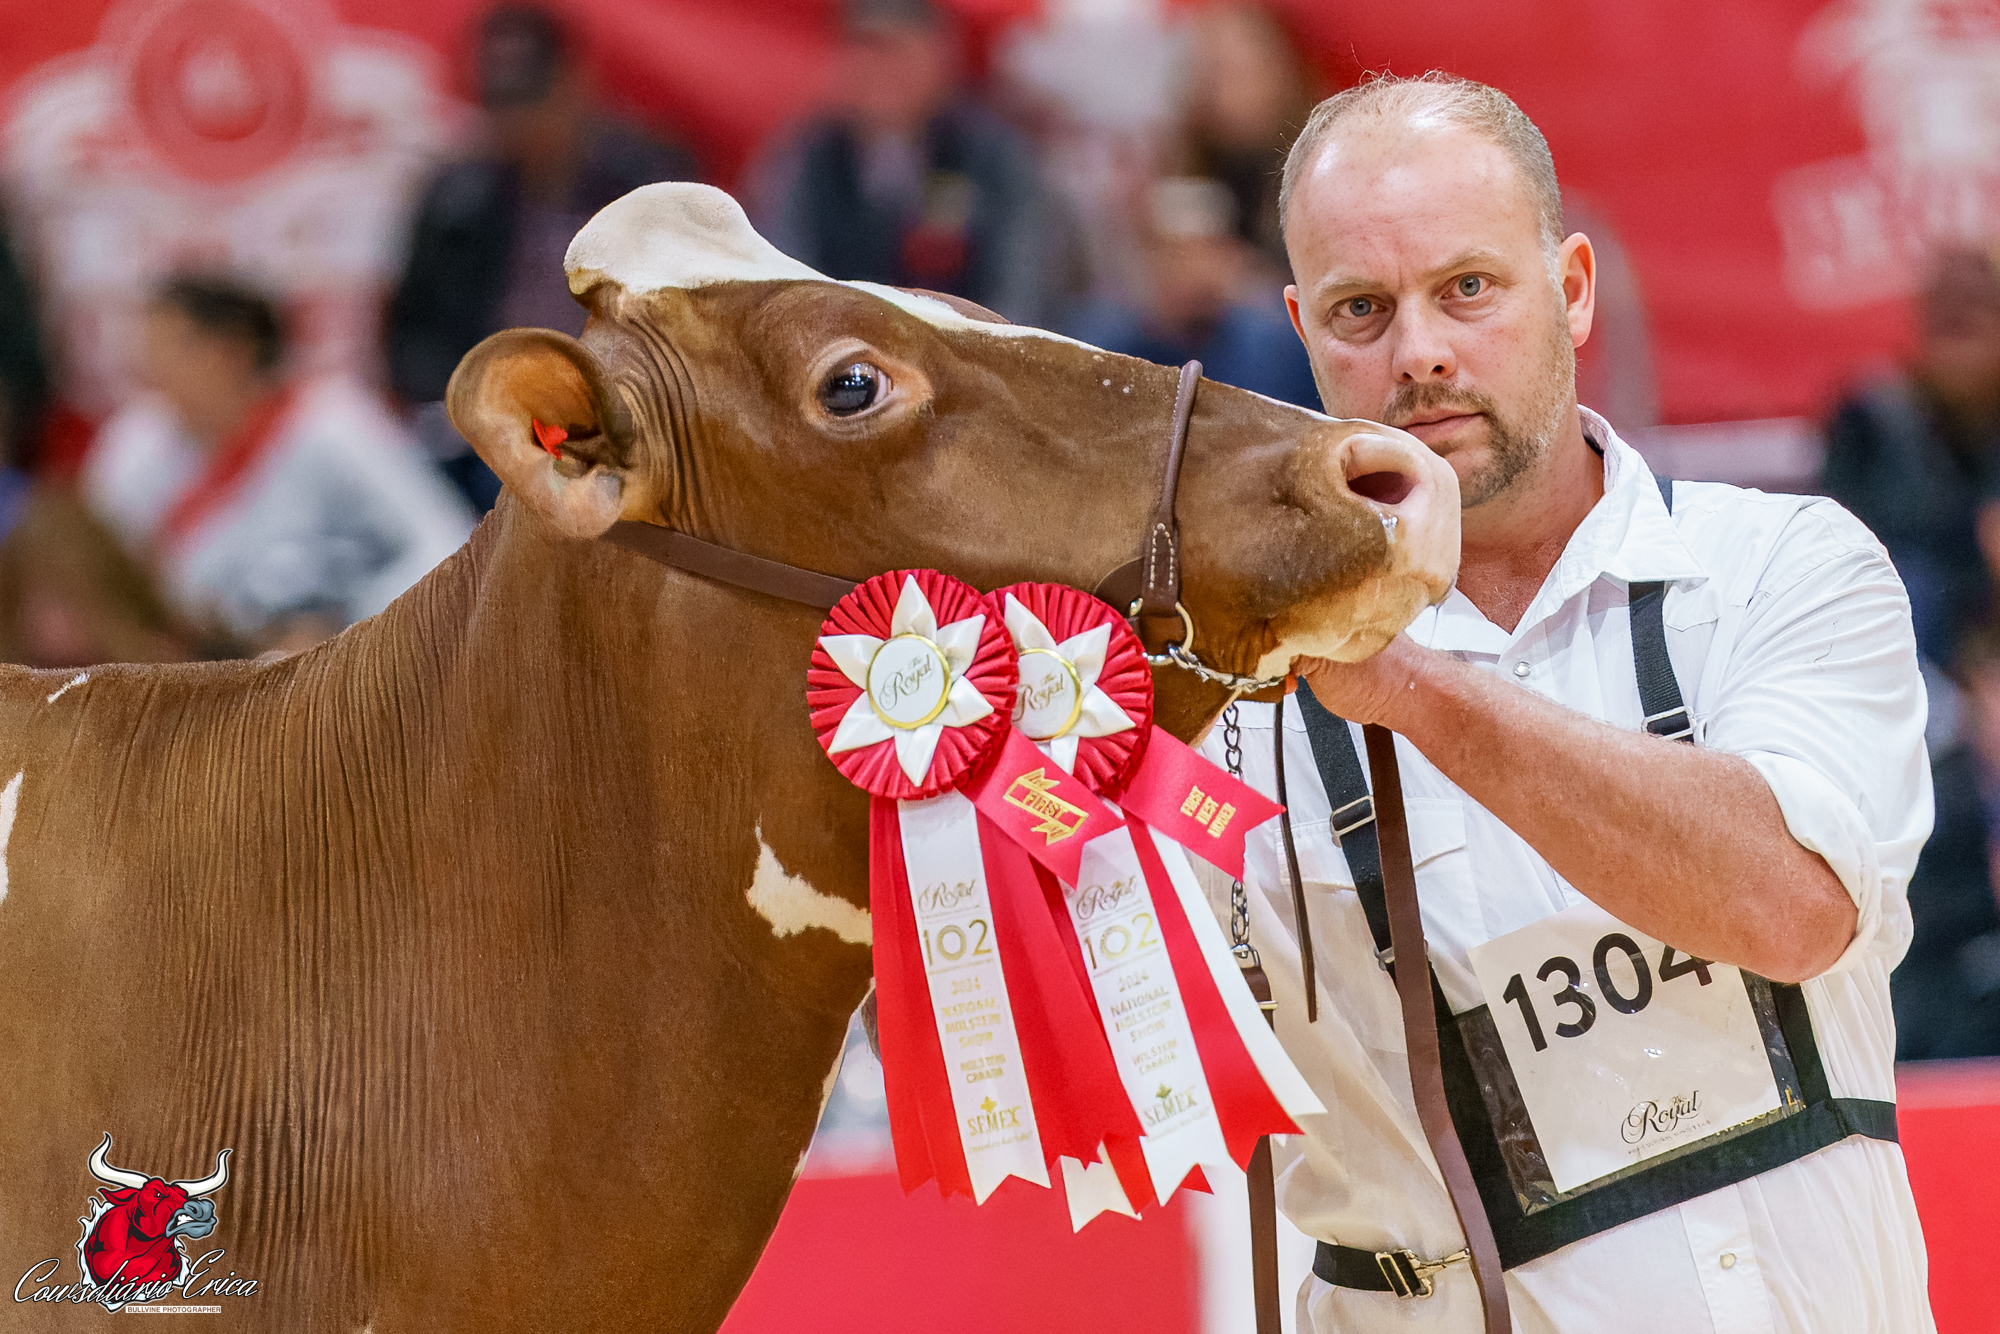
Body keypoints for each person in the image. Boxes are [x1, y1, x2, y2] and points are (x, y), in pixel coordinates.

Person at [1206, 74, 1932, 1331]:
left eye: (1466, 287)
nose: (1418, 351)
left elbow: (1788, 903)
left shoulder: (1782, 566)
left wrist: (1405, 684)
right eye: (1360, 309)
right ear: (1301, 332)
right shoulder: (1225, 697)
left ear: (1573, 287)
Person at [385, 3, 699, 511]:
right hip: (488, 432)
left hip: (621, 417)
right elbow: (412, 341)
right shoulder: (457, 199)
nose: (519, 123)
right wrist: (466, 401)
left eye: (532, 100)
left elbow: (693, 320)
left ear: (577, 82)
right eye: (500, 104)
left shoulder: (651, 185)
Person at [84, 275, 474, 653]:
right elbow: (94, 569)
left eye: (173, 349)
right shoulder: (134, 446)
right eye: (147, 351)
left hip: (347, 655)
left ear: (234, 349)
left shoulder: (329, 424)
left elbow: (448, 544)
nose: (154, 370)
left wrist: (352, 628)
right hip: (204, 660)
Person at [750, 0, 1057, 326]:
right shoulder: (806, 159)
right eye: (863, 49)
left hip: (967, 342)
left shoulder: (995, 158)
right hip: (841, 341)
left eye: (895, 50)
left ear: (942, 57)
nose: (879, 69)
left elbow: (1022, 289)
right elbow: (781, 276)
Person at [1821, 246, 2000, 667]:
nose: (1959, 355)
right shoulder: (1873, 415)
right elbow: (1844, 540)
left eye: (1972, 331)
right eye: (1947, 331)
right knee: (1910, 587)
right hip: (1904, 613)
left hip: (1980, 614)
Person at [1062, 176, 1319, 409]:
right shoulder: (1104, 347)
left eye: (1205, 251)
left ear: (1230, 253)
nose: (1194, 268)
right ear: (1148, 257)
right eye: (1177, 254)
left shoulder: (1275, 348)